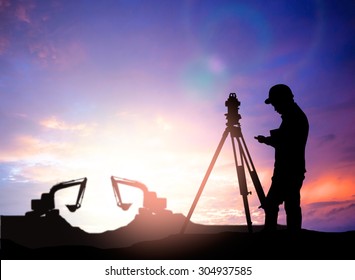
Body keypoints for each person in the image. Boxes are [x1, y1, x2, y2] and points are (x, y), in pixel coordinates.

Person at [255, 84, 309, 232]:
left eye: (275, 103)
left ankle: (271, 235)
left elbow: (286, 142)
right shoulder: (292, 116)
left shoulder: (294, 117)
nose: (274, 108)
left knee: (273, 204)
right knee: (289, 204)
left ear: (282, 99)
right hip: (289, 170)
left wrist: (268, 139)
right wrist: (266, 140)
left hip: (288, 171)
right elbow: (284, 141)